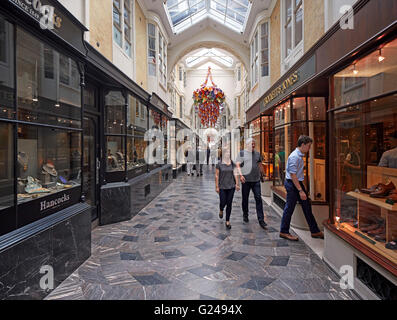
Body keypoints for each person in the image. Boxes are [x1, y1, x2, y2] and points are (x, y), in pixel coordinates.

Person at [280, 135, 324, 241]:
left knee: (307, 206)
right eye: (308, 146)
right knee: (289, 208)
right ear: (303, 145)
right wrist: (300, 190)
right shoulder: (294, 156)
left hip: (296, 183)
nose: (309, 148)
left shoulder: (299, 155)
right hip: (292, 185)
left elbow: (297, 174)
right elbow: (293, 175)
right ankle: (284, 231)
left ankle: (314, 231)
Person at [236, 138, 268, 230]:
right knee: (245, 198)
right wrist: (241, 175)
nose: (253, 145)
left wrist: (263, 174)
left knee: (258, 198)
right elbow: (238, 165)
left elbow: (260, 164)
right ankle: (245, 214)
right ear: (247, 145)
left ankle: (261, 220)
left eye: (254, 144)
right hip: (245, 180)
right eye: (251, 144)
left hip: (256, 180)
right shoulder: (241, 153)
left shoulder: (257, 154)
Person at [215, 147, 240, 229]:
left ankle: (227, 220)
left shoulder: (232, 163)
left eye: (229, 152)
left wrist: (237, 184)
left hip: (231, 186)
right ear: (223, 154)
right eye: (226, 152)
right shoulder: (219, 164)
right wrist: (217, 186)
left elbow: (235, 173)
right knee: (223, 202)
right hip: (222, 186)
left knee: (229, 203)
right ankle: (221, 209)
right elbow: (216, 175)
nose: (228, 154)